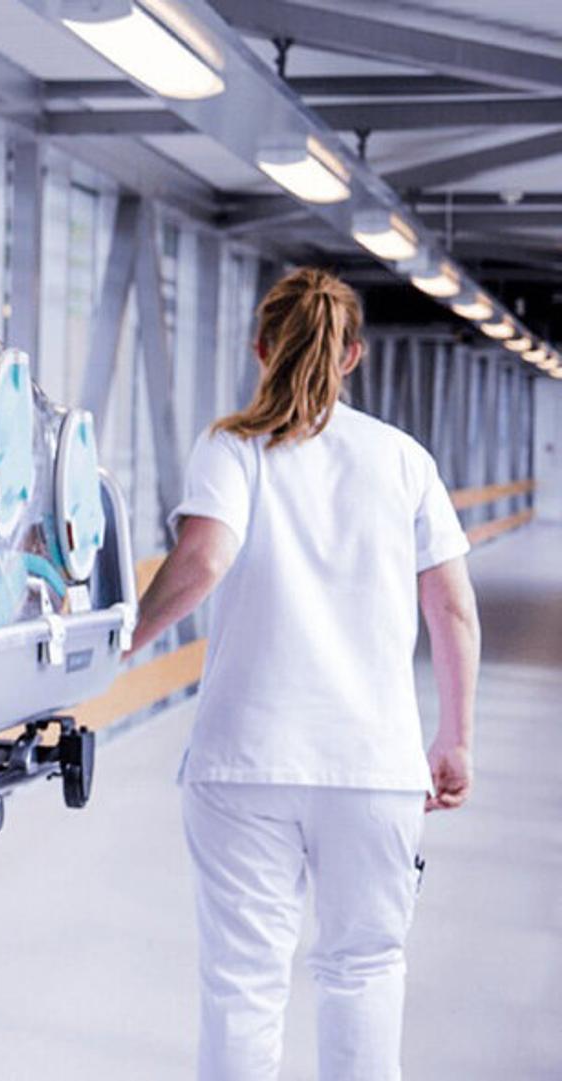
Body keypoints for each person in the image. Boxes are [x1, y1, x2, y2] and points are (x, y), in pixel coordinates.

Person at [130, 267, 481, 1081]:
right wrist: (456, 738)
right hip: (374, 766)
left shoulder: (232, 446)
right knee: (364, 973)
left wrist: (130, 636)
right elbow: (454, 610)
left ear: (259, 347)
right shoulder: (403, 459)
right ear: (353, 355)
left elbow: (204, 556)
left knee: (244, 988)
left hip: (244, 761)